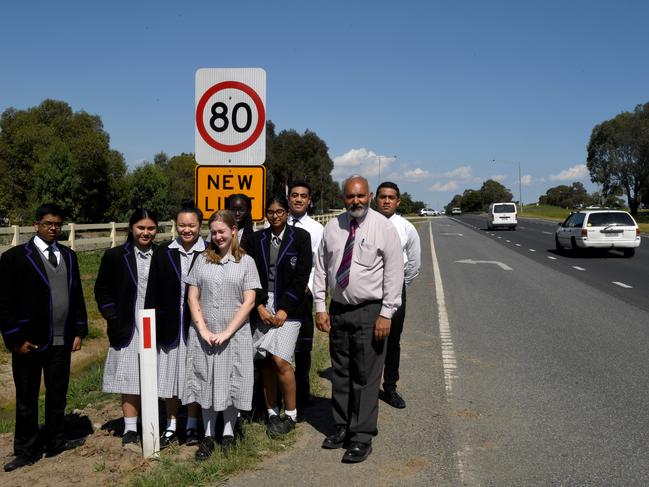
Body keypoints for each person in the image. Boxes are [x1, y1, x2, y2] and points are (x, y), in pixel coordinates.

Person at [313, 175, 403, 463]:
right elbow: (320, 268)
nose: (356, 201)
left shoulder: (383, 227)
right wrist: (320, 306)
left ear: (370, 196)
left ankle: (362, 436)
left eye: (361, 196)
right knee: (341, 373)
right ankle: (342, 427)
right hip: (339, 310)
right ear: (343, 198)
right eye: (351, 196)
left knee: (365, 376)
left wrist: (386, 312)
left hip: (370, 312)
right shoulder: (333, 227)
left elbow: (394, 273)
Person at [0, 203, 88, 472]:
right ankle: (26, 450)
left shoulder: (69, 256)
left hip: (61, 339)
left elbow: (77, 295)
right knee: (26, 397)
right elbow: (4, 301)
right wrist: (14, 337)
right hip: (28, 340)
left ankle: (55, 440)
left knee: (58, 393)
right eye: (48, 223)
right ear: (36, 224)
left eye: (58, 224)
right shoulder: (15, 258)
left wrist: (79, 330)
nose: (53, 229)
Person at [184, 210, 260, 460]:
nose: (217, 236)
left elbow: (249, 302)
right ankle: (207, 436)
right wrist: (203, 329)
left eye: (222, 232)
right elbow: (192, 296)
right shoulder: (202, 260)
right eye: (213, 232)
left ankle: (227, 432)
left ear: (233, 231)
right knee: (206, 382)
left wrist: (227, 332)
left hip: (234, 334)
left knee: (231, 382)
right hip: (205, 335)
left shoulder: (246, 262)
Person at [247, 195, 312, 437]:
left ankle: (291, 414)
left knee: (281, 361)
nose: (275, 215)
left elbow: (301, 277)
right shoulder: (256, 239)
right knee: (264, 360)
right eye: (271, 211)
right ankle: (272, 412)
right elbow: (250, 275)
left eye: (280, 211)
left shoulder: (301, 238)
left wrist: (285, 308)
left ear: (287, 213)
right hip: (262, 304)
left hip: (290, 307)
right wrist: (260, 306)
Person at [95, 208, 158, 446]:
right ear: (131, 228)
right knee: (130, 376)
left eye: (151, 228)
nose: (145, 232)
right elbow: (102, 290)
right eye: (141, 228)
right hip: (127, 324)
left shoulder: (162, 255)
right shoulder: (114, 256)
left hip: (154, 323)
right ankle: (131, 427)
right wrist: (112, 317)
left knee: (152, 374)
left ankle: (152, 420)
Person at [144, 204, 206, 448]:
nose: (186, 230)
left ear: (200, 226)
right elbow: (152, 289)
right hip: (169, 326)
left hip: (198, 326)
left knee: (193, 377)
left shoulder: (209, 251)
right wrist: (149, 321)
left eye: (191, 225)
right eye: (182, 225)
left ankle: (192, 424)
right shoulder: (163, 252)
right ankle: (170, 425)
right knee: (169, 378)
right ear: (175, 226)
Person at [374, 182, 421, 409]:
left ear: (398, 201)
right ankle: (367, 387)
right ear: (375, 199)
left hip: (395, 291)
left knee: (393, 340)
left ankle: (390, 387)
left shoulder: (406, 228)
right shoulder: (366, 224)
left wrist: (399, 286)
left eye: (391, 197)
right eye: (382, 197)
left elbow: (414, 263)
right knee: (370, 339)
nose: (386, 201)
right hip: (370, 290)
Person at [286, 180, 324, 415]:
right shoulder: (278, 223)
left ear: (309, 200)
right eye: (294, 195)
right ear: (288, 198)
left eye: (303, 196)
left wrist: (308, 288)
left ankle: (302, 391)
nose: (298, 199)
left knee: (302, 348)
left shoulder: (317, 230)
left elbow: (320, 264)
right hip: (279, 297)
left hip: (303, 296)